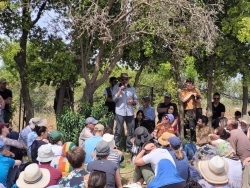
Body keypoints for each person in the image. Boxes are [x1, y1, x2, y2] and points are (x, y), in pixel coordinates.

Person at [112, 73, 138, 151]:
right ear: (120, 80)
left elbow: (136, 101)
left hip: (129, 112)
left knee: (131, 130)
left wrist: (133, 102)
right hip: (120, 112)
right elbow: (114, 99)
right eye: (122, 79)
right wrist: (120, 90)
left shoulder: (132, 89)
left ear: (128, 80)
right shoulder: (116, 87)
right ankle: (116, 147)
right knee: (118, 130)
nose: (124, 80)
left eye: (126, 79)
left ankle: (129, 148)